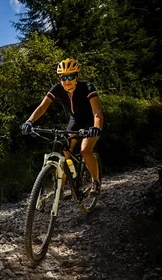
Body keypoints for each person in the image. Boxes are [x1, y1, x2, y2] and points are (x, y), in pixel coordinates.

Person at [21, 58, 104, 195]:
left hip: (91, 121)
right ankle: (63, 185)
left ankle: (95, 181)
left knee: (85, 150)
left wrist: (96, 127)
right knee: (64, 149)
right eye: (63, 77)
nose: (67, 80)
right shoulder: (57, 88)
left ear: (77, 76)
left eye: (71, 76)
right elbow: (42, 107)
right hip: (75, 120)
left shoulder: (87, 87)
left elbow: (97, 112)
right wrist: (29, 121)